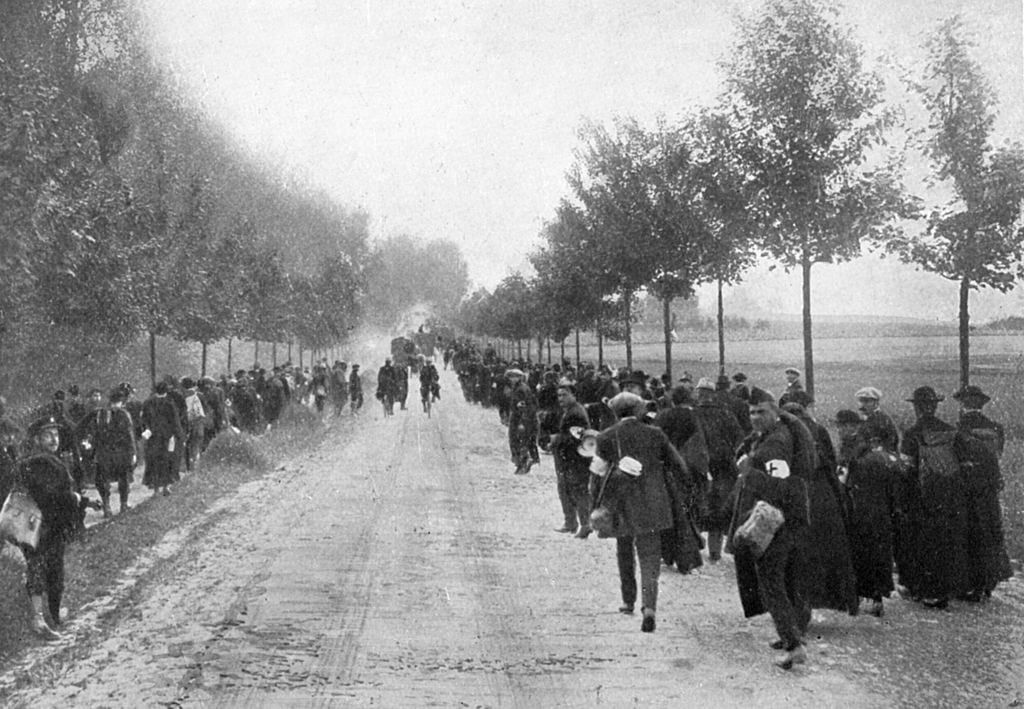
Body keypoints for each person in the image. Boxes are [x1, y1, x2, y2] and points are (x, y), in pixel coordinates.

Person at [589, 392, 690, 633]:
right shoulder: (655, 434)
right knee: (649, 558)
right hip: (653, 504)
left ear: (615, 412)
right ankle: (649, 607)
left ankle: (627, 600)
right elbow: (680, 466)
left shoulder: (605, 437)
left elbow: (596, 476)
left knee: (624, 551)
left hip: (620, 504)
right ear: (638, 410)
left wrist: (596, 505)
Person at [729, 388, 812, 670]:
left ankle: (793, 645)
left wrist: (748, 472)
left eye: (761, 411)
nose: (755, 417)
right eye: (751, 412)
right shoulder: (770, 436)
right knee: (780, 580)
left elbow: (780, 487)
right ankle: (792, 635)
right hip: (782, 519)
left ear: (774, 411)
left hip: (775, 522)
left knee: (771, 582)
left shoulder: (776, 442)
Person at [898, 386, 969, 609]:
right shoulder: (950, 431)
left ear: (916, 407)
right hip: (949, 495)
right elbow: (963, 465)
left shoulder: (912, 433)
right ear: (935, 406)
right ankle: (947, 589)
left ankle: (922, 589)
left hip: (920, 496)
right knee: (946, 541)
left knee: (920, 542)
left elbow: (906, 469)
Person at [15, 416, 86, 638]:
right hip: (41, 527)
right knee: (43, 571)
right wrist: (73, 497)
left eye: (56, 434)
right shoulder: (38, 462)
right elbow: (48, 496)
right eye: (48, 435)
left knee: (51, 571)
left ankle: (53, 616)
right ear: (37, 439)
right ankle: (40, 620)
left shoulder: (45, 459)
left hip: (44, 526)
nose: (54, 438)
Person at [952, 385, 1012, 601]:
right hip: (990, 487)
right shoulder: (996, 428)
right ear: (981, 404)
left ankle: (973, 585)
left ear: (963, 403)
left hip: (969, 488)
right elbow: (997, 457)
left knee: (971, 532)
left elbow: (957, 460)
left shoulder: (960, 428)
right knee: (990, 530)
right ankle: (988, 583)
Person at [835, 409, 896, 617]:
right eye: (840, 426)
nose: (841, 430)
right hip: (868, 505)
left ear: (854, 426)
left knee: (865, 552)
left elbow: (847, 472)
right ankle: (867, 597)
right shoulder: (854, 444)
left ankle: (871, 598)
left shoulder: (858, 446)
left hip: (863, 505)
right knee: (867, 552)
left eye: (845, 426)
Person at [692, 381, 744, 562]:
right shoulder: (726, 413)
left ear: (699, 393)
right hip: (724, 465)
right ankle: (715, 550)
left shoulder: (693, 414)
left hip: (699, 465)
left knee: (697, 504)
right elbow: (739, 438)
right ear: (712, 394)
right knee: (718, 507)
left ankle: (694, 546)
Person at [81, 387, 137, 516]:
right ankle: (123, 506)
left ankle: (107, 507)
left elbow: (86, 428)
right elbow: (129, 436)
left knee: (103, 481)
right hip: (121, 453)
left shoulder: (99, 413)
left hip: (103, 453)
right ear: (121, 402)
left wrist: (89, 444)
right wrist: (133, 452)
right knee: (123, 479)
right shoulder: (124, 414)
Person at [551, 381, 592, 537]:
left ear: (573, 395)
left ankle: (584, 524)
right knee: (566, 490)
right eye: (559, 395)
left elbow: (576, 438)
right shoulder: (570, 410)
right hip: (569, 459)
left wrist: (556, 439)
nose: (560, 398)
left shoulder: (575, 413)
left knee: (577, 491)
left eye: (564, 395)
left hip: (575, 460)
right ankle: (571, 523)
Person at [141, 381, 185, 496]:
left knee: (153, 462)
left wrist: (146, 430)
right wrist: (180, 436)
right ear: (166, 391)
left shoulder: (148, 403)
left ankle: (156, 489)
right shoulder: (170, 403)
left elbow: (143, 420)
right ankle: (166, 486)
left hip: (152, 437)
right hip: (167, 437)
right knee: (167, 461)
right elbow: (175, 422)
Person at [507, 368, 539, 474]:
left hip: (520, 419)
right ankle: (523, 463)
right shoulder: (520, 387)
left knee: (518, 441)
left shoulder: (521, 389)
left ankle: (523, 464)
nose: (512, 379)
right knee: (520, 442)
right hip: (522, 419)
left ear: (519, 377)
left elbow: (523, 406)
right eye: (511, 376)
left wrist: (521, 422)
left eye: (514, 376)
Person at [855, 387, 900, 454]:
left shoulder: (883, 419)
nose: (862, 405)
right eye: (861, 401)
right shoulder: (863, 419)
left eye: (866, 401)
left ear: (876, 402)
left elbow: (892, 441)